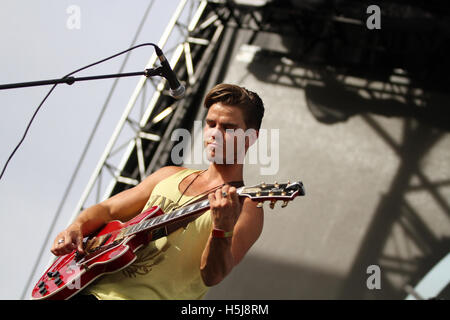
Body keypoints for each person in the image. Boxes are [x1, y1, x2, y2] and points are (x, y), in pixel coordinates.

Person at [50, 83, 265, 300]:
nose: (215, 134)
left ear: (251, 138)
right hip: (86, 290)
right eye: (210, 124)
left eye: (228, 128)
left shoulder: (248, 208)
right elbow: (108, 209)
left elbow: (212, 275)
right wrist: (76, 226)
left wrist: (221, 228)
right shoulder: (169, 175)